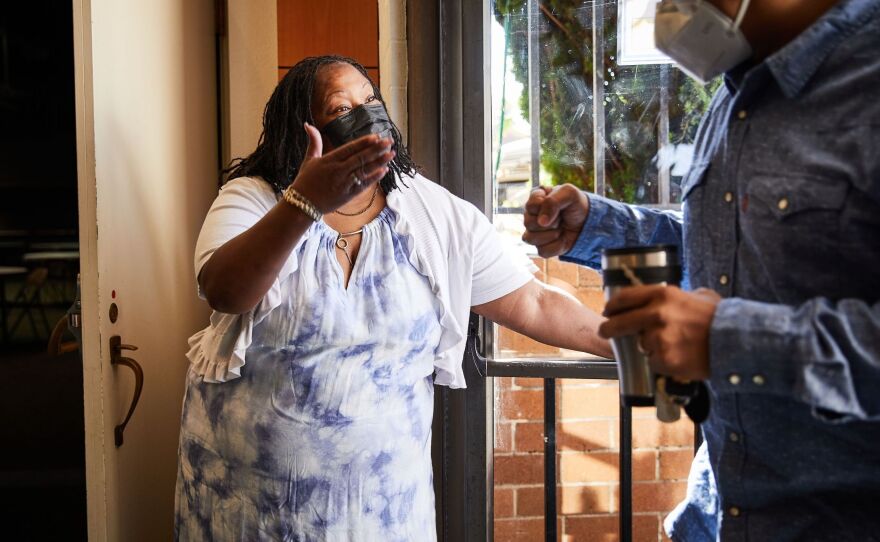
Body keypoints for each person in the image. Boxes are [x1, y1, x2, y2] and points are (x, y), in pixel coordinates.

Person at [174, 55, 611, 541]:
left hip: (380, 507)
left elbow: (534, 303)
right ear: (301, 130)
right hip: (247, 503)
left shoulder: (432, 213)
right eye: (341, 108)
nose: (365, 113)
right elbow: (225, 291)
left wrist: (629, 346)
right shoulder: (252, 199)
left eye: (371, 99)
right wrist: (304, 202)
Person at [523, 0, 880, 540]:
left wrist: (735, 341)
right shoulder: (734, 94)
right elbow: (733, 250)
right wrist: (600, 227)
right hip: (714, 518)